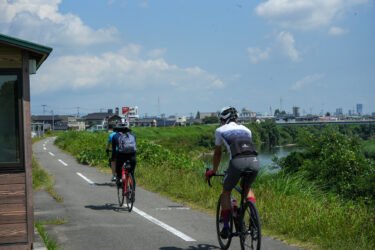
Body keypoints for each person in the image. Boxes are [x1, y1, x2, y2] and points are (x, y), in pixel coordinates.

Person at [205, 106, 259, 239]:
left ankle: (226, 227)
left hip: (237, 162)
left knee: (226, 192)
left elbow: (217, 153)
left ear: (224, 118)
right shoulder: (247, 129)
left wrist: (214, 171)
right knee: (246, 187)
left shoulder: (220, 130)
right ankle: (254, 220)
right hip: (254, 161)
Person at [111, 124, 137, 194]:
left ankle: (119, 181)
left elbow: (114, 150)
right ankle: (133, 192)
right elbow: (134, 147)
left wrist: (113, 158)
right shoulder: (133, 136)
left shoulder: (115, 136)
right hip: (132, 156)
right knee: (131, 173)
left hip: (122, 156)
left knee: (118, 169)